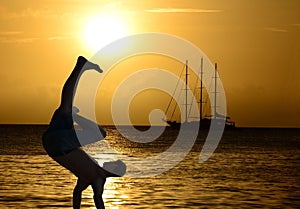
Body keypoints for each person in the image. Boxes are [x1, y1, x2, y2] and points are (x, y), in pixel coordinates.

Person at [42, 56, 126, 209]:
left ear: (114, 171)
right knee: (66, 106)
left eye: (113, 163)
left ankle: (74, 115)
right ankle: (80, 67)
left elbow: (98, 201)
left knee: (101, 133)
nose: (110, 161)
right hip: (54, 143)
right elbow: (77, 193)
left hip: (60, 145)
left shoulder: (98, 179)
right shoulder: (89, 175)